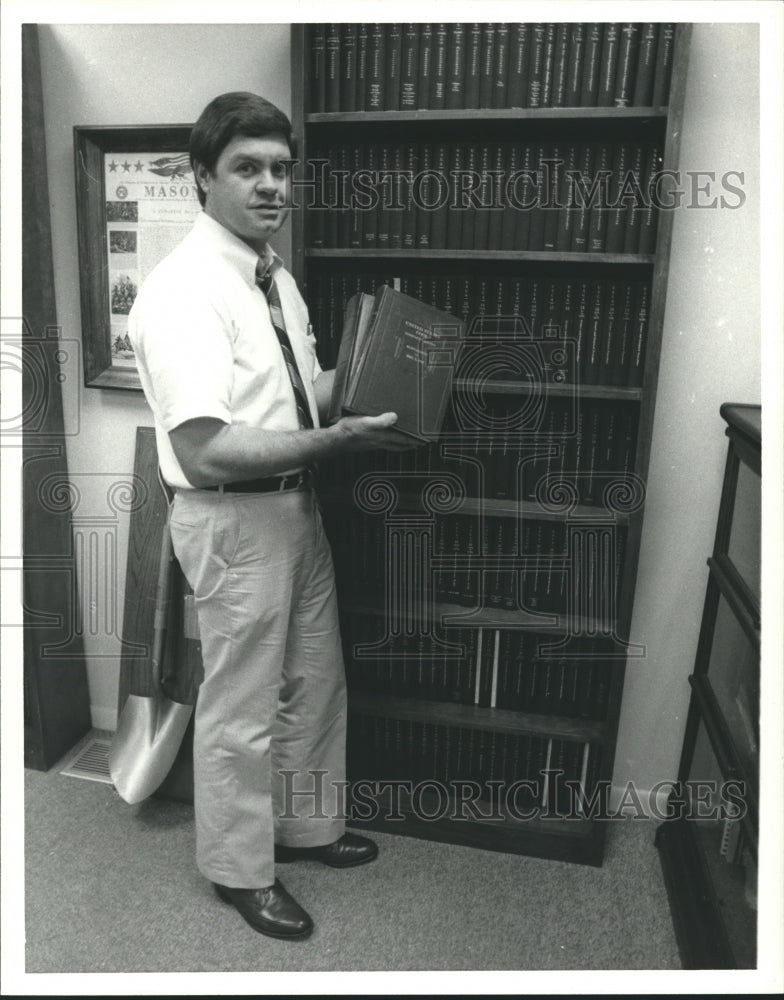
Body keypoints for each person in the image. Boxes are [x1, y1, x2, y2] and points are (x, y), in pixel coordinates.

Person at [128, 92, 412, 941]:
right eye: (247, 168)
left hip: (294, 508)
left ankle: (308, 828)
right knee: (243, 705)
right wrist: (336, 442)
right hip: (231, 519)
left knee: (315, 680)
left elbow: (298, 398)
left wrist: (379, 356)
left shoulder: (272, 274)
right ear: (201, 178)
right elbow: (209, 447)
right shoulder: (183, 292)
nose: (270, 186)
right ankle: (238, 870)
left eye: (281, 169)